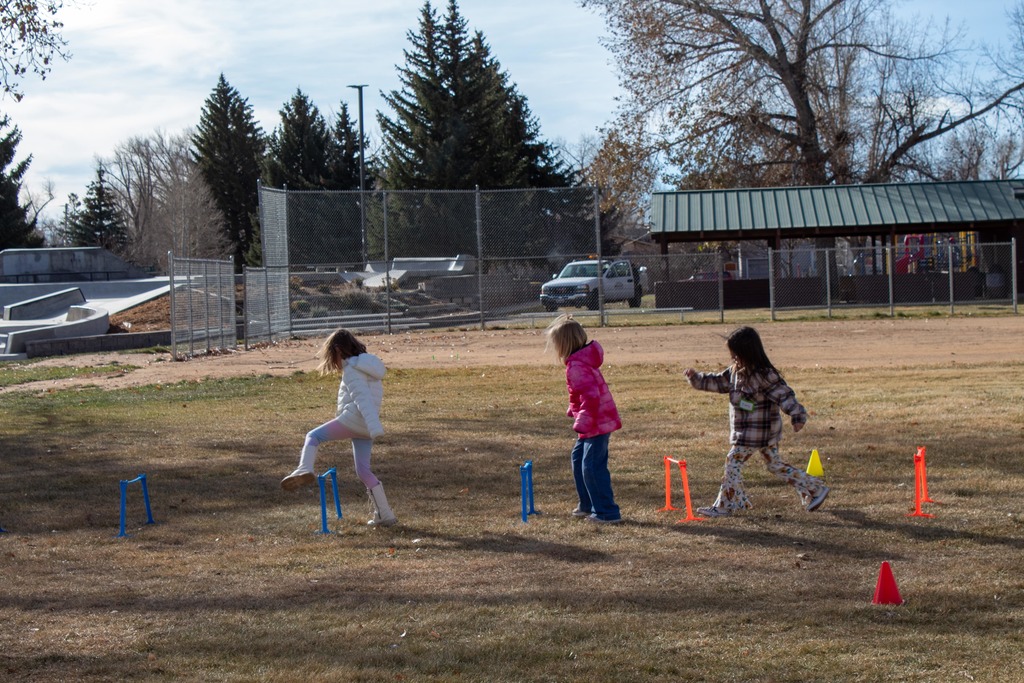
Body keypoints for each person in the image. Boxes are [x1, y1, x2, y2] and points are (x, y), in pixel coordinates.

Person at [683, 326, 829, 518]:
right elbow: (717, 382)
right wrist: (696, 378)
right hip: (749, 433)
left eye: (737, 355)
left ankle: (725, 505)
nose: (734, 358)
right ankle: (815, 489)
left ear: (749, 353)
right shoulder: (735, 373)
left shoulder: (764, 375)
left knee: (732, 462)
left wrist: (797, 415)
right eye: (732, 355)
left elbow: (785, 396)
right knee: (774, 465)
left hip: (758, 433)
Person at [281, 328, 397, 527]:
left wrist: (373, 425)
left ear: (337, 350)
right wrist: (371, 426)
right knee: (363, 471)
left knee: (313, 436)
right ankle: (385, 515)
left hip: (355, 421)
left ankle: (304, 468)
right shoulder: (369, 367)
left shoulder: (352, 369)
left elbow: (363, 399)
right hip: (365, 427)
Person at [545, 314, 623, 524]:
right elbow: (578, 395)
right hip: (592, 421)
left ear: (564, 344)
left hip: (596, 422)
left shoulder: (577, 366)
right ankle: (587, 503)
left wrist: (583, 421)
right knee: (578, 459)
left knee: (592, 466)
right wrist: (574, 410)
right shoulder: (578, 363)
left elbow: (591, 397)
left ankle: (607, 511)